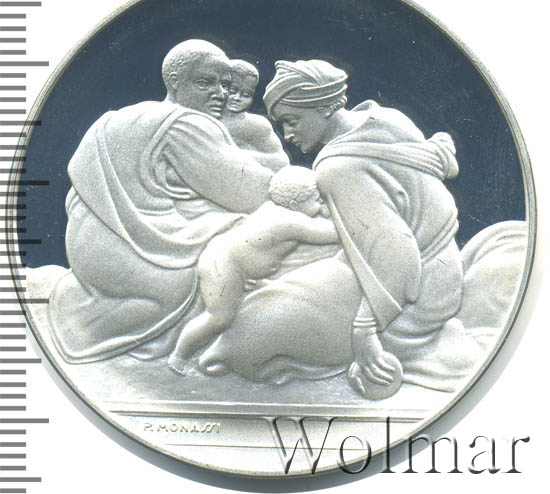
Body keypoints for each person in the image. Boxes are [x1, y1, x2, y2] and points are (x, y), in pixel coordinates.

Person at [48, 40, 277, 364]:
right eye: (205, 83)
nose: (220, 94)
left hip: (87, 250)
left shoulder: (115, 118)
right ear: (174, 82)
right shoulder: (185, 124)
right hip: (141, 257)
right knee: (263, 238)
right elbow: (252, 193)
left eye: (225, 85)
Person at [263, 59, 463, 396]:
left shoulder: (337, 169)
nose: (287, 135)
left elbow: (394, 250)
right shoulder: (386, 118)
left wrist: (365, 330)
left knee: (269, 327)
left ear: (324, 107)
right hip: (444, 269)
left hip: (416, 298)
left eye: (292, 121)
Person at [167, 166, 338, 374]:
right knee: (218, 318)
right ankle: (179, 356)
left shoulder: (272, 208)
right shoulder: (291, 221)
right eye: (316, 200)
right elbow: (333, 234)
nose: (320, 205)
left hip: (229, 263)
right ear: (294, 205)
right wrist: (334, 209)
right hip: (224, 266)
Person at [222, 59, 289, 172]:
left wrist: (237, 155)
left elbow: (281, 161)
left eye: (246, 94)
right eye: (232, 91)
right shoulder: (205, 117)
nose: (237, 98)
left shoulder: (256, 124)